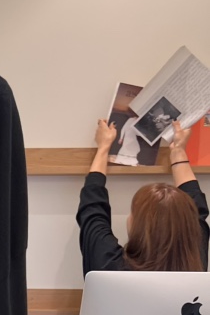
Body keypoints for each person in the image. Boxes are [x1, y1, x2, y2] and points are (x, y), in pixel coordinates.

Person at [77, 118, 209, 275]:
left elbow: (93, 211)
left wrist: (103, 148)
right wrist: (178, 151)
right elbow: (196, 210)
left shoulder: (109, 265)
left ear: (137, 224)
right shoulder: (194, 259)